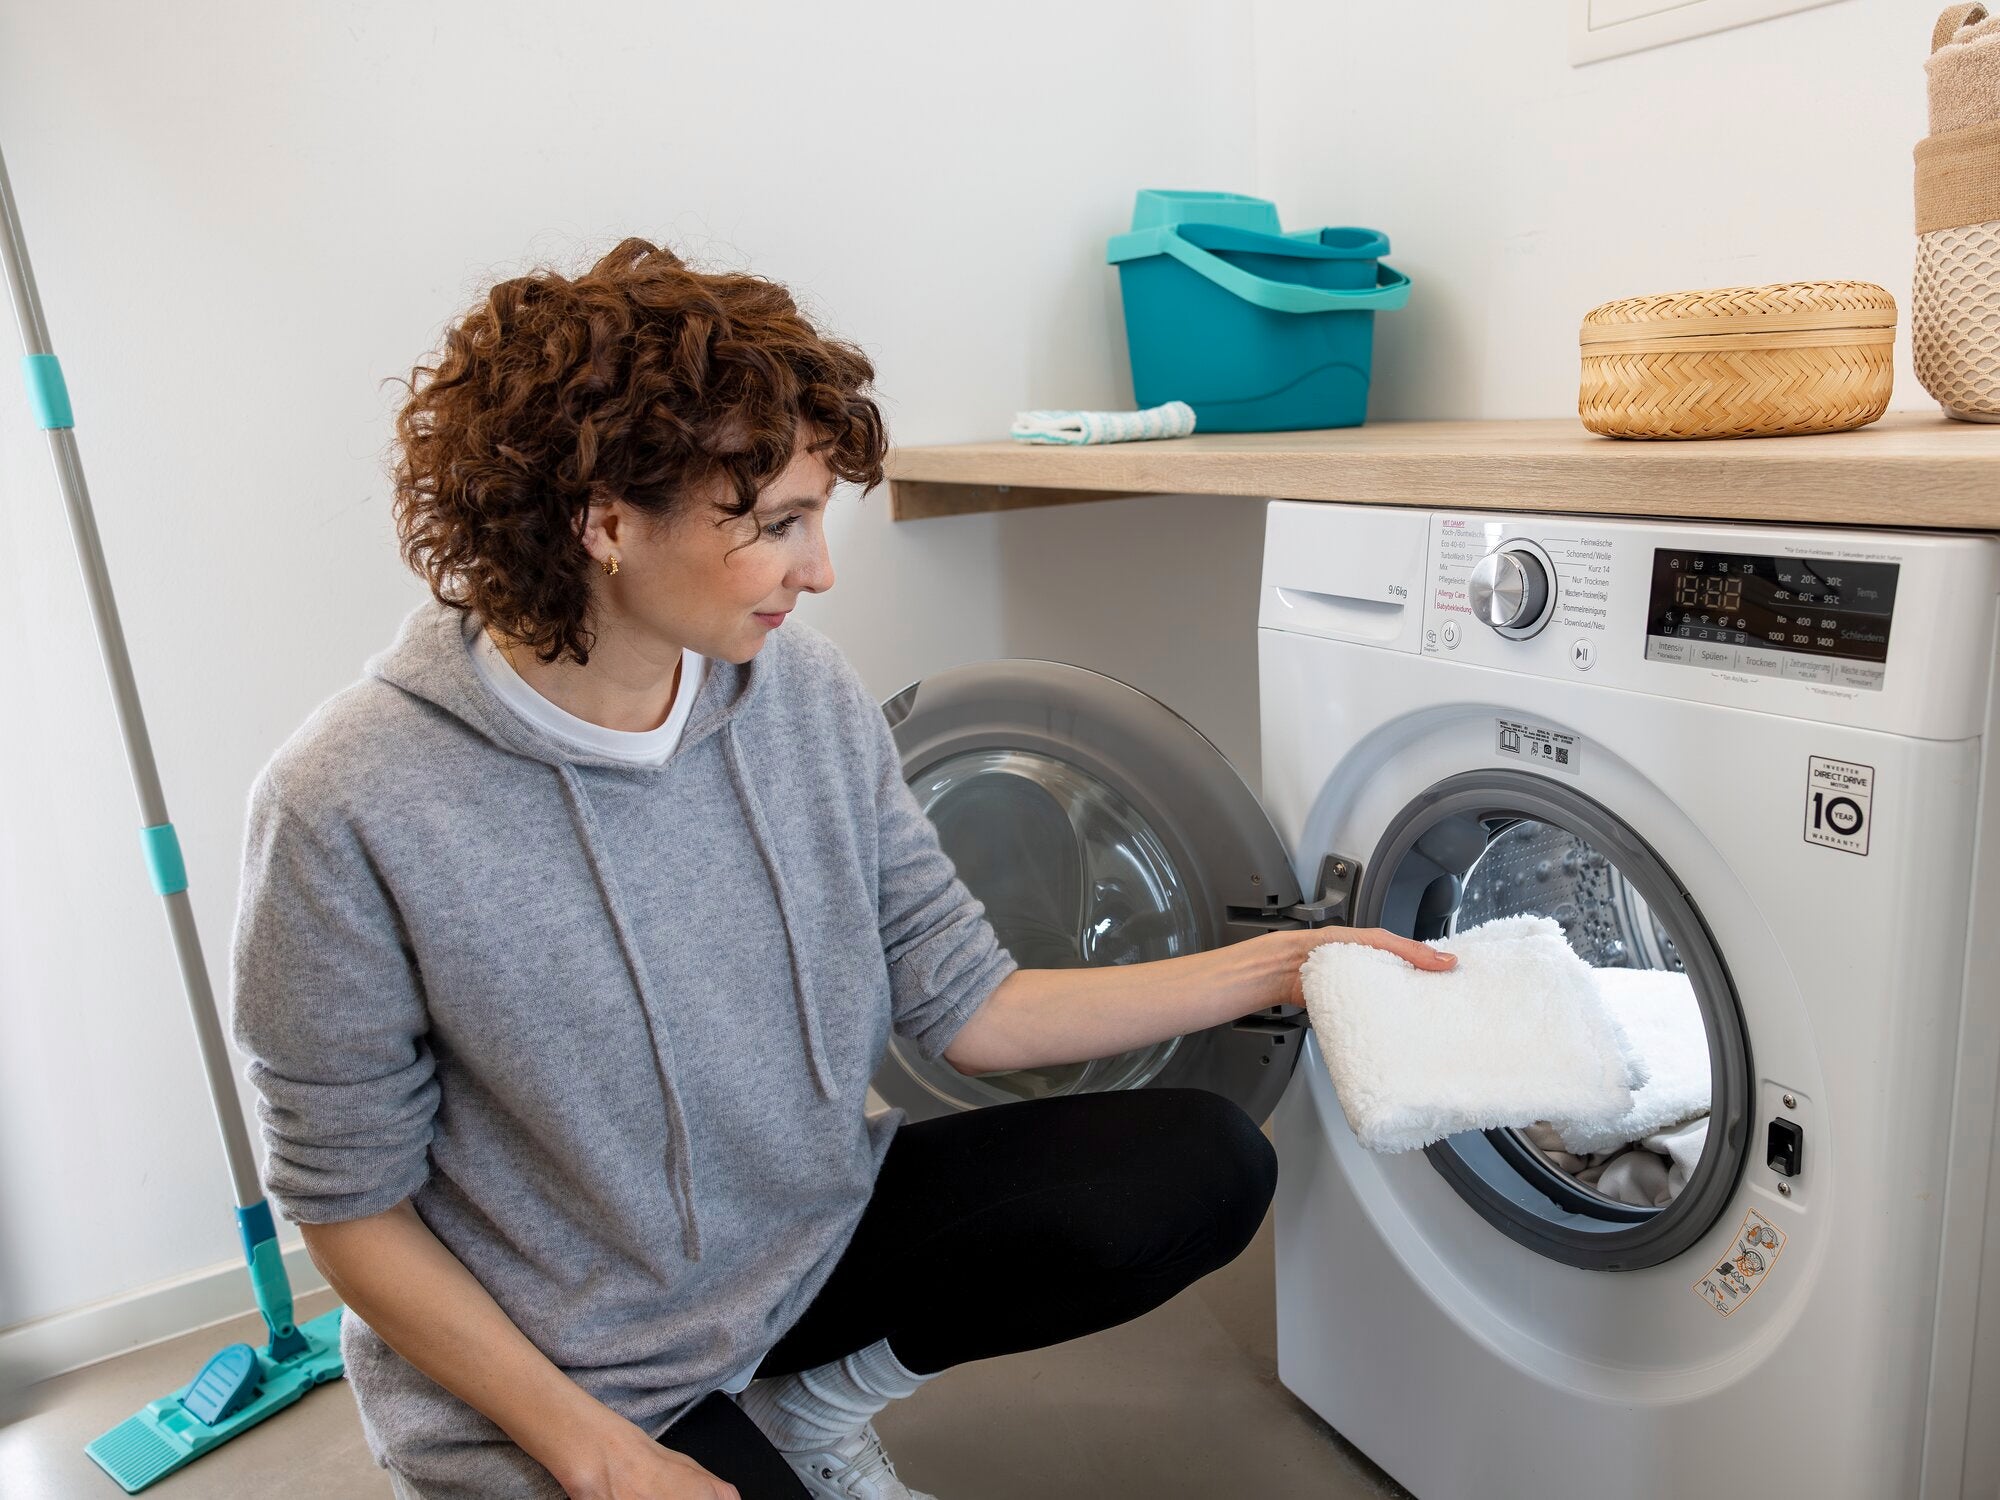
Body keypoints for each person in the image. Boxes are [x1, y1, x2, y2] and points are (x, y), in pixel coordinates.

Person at [228, 238, 1455, 1500]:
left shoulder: (799, 695)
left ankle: (808, 1407)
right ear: (603, 522)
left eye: (816, 517)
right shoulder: (348, 804)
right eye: (776, 525)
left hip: (801, 1240)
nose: (818, 571)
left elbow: (970, 1006)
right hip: (574, 1361)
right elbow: (352, 1212)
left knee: (1202, 1165)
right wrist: (604, 1460)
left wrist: (1277, 966)